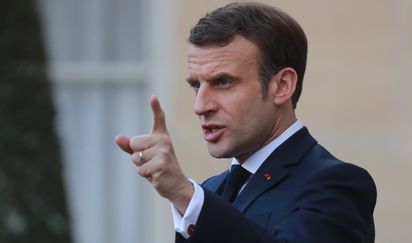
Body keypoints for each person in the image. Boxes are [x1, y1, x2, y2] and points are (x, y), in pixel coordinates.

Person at [115, 2, 377, 243]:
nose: (200, 106)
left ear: (282, 86)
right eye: (197, 85)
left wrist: (185, 194)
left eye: (223, 82)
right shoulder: (211, 190)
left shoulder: (337, 185)